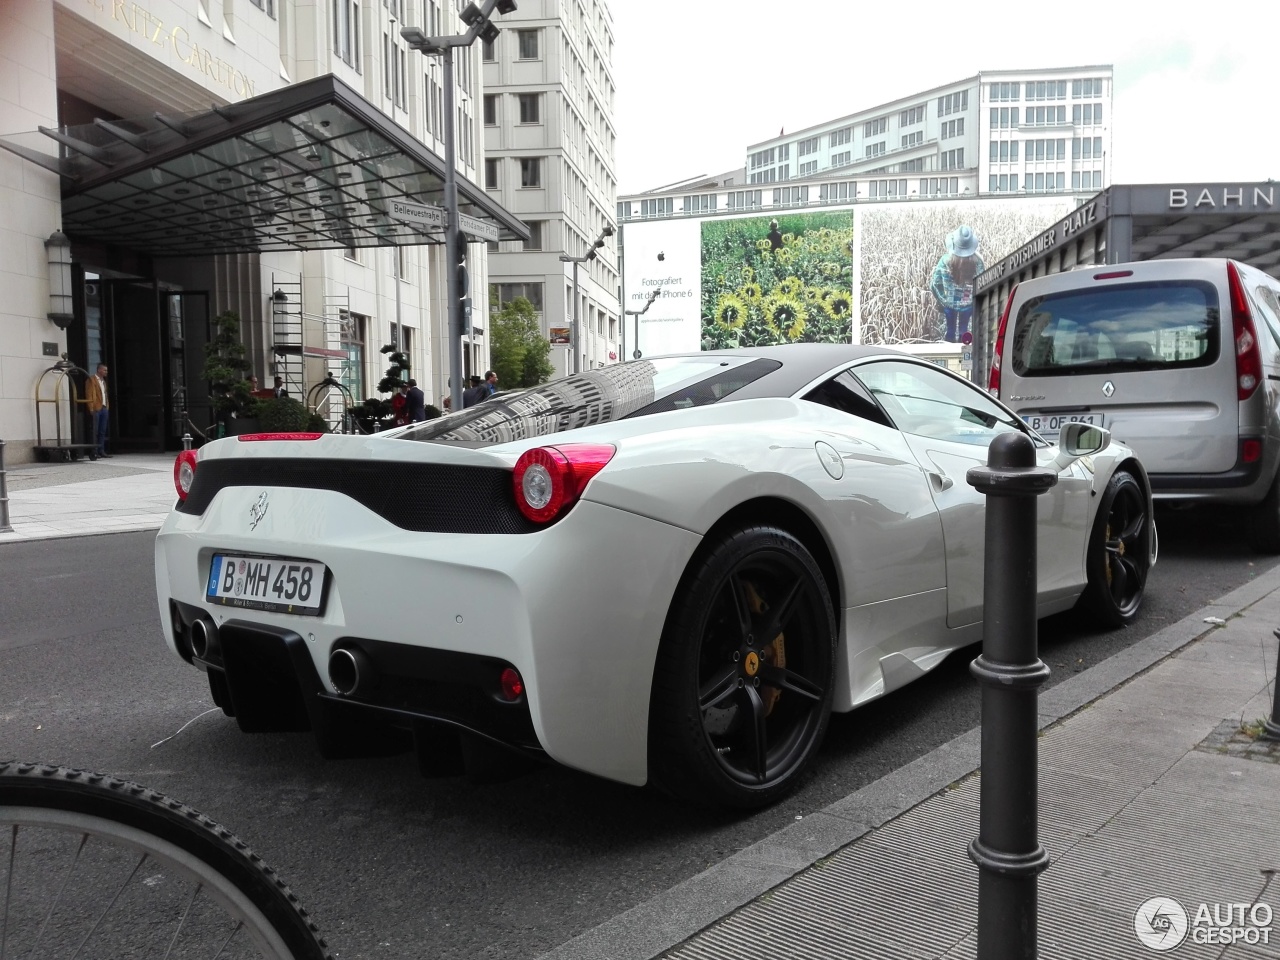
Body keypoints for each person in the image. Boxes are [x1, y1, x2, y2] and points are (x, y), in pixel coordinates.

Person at [929, 225, 985, 343]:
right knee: (964, 329)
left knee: (950, 329)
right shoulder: (978, 263)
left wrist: (943, 300)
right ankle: (962, 354)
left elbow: (934, 284)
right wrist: (973, 301)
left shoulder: (945, 261)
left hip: (949, 304)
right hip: (968, 305)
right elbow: (982, 285)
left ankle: (951, 353)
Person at [84, 362, 111, 458]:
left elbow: (105, 394)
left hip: (104, 408)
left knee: (102, 431)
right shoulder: (91, 380)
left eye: (106, 370)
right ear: (99, 370)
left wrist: (107, 406)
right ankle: (94, 450)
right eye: (104, 370)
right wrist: (91, 408)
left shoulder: (103, 381)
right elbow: (89, 395)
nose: (106, 372)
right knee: (94, 431)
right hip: (96, 408)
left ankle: (101, 450)